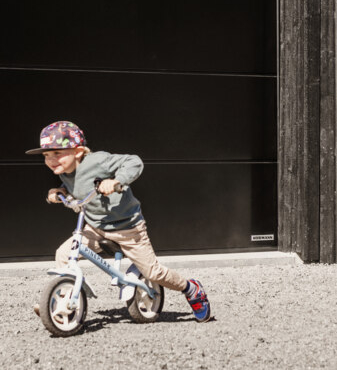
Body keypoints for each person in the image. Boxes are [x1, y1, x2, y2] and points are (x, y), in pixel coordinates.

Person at [26, 120, 212, 323]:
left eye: (57, 153)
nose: (51, 160)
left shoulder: (98, 161)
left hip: (128, 229)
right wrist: (60, 191)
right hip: (95, 228)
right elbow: (79, 185)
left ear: (78, 152)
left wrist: (116, 181)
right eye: (46, 155)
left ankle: (191, 289)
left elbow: (134, 162)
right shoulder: (66, 170)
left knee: (153, 272)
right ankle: (65, 299)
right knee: (63, 254)